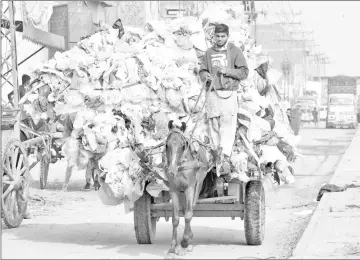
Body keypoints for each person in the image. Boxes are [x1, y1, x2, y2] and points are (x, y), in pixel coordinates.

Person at [199, 23, 249, 176]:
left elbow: (244, 72)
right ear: (213, 36)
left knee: (227, 125)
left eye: (223, 36)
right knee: (214, 125)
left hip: (228, 93)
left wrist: (227, 71)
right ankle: (216, 157)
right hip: (213, 94)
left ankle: (225, 156)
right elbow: (202, 70)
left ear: (227, 36)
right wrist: (205, 76)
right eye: (217, 36)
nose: (220, 39)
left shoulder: (235, 51)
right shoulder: (208, 53)